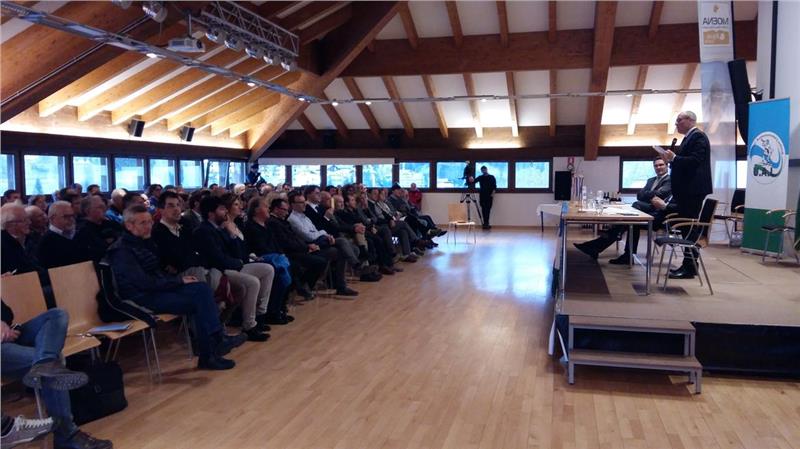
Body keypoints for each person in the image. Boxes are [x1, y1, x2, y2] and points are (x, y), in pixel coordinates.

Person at [106, 205, 245, 370]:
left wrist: (177, 281)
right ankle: (213, 347)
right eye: (143, 223)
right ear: (129, 225)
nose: (149, 226)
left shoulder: (143, 242)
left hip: (157, 290)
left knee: (201, 289)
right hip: (141, 298)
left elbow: (156, 275)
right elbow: (144, 283)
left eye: (150, 222)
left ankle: (214, 345)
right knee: (199, 300)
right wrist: (178, 282)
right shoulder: (121, 251)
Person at [2, 301, 114, 449]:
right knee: (53, 362)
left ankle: (45, 361)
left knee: (57, 315)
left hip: (8, 337)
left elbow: (7, 313)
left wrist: (2, 322)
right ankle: (67, 436)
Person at [193, 196, 274, 341]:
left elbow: (237, 252)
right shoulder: (204, 231)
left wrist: (232, 235)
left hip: (232, 265)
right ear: (211, 213)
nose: (225, 212)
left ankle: (260, 314)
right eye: (221, 209)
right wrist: (238, 262)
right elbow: (216, 259)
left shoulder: (220, 227)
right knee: (252, 282)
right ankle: (249, 325)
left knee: (267, 269)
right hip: (218, 271)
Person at [574, 156, 672, 264]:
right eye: (656, 165)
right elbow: (639, 195)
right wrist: (650, 196)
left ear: (666, 165)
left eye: (661, 165)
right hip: (643, 213)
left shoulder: (670, 180)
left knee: (633, 210)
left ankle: (599, 245)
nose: (658, 167)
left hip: (657, 216)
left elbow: (660, 194)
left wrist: (646, 194)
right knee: (630, 221)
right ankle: (624, 254)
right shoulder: (651, 180)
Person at [663, 111, 712, 279]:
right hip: (686, 191)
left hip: (693, 190)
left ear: (690, 120)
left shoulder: (698, 137)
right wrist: (672, 160)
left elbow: (695, 161)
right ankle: (690, 264)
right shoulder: (688, 138)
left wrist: (675, 158)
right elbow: (684, 163)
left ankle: (690, 266)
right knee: (686, 228)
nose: (676, 123)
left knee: (689, 228)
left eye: (679, 120)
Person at [36, 201, 88, 269]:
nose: (71, 220)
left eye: (72, 216)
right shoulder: (47, 242)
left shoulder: (77, 235)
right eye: (66, 217)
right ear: (52, 218)